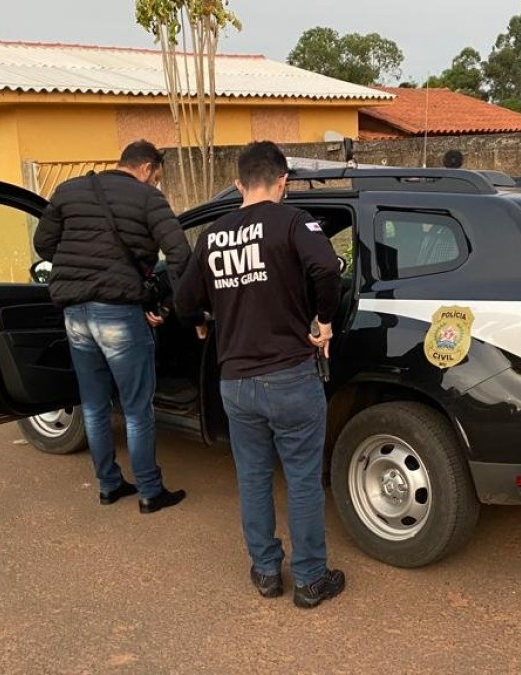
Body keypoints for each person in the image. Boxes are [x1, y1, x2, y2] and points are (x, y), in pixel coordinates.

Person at [175, 141, 345, 609]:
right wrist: (324, 320)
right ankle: (310, 579)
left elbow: (184, 301)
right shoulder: (292, 221)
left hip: (235, 382)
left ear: (238, 184)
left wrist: (203, 320)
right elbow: (326, 269)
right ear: (282, 180)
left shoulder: (212, 235)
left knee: (252, 478)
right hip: (290, 376)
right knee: (302, 480)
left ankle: (266, 571)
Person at [34, 140, 190, 514]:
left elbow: (43, 244)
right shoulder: (148, 199)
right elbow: (180, 253)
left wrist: (79, 265)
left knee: (93, 405)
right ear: (148, 168)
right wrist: (174, 304)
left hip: (75, 313)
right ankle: (150, 491)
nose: (155, 183)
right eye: (157, 177)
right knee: (137, 408)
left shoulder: (68, 190)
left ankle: (108, 484)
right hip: (119, 313)